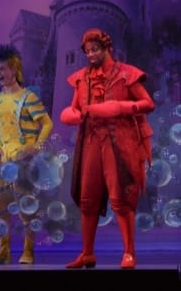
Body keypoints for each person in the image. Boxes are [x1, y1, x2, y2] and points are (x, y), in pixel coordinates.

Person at [60, 28, 154, 269]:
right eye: (87, 51)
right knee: (87, 198)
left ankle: (129, 252)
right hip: (91, 141)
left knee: (121, 196)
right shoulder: (81, 78)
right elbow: (75, 108)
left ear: (107, 48)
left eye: (95, 49)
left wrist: (120, 107)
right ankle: (87, 253)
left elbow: (147, 103)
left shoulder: (127, 74)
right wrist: (71, 115)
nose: (91, 54)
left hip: (119, 140)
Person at [0, 44, 53, 265]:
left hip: (23, 160)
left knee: (25, 205)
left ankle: (28, 251)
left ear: (14, 69)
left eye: (2, 69)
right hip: (2, 160)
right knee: (0, 205)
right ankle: (3, 251)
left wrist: (37, 146)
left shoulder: (28, 97)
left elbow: (47, 123)